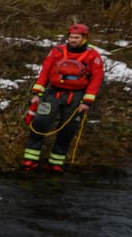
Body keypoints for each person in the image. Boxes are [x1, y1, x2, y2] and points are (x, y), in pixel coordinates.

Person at [21, 23, 103, 173]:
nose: (73, 40)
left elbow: (96, 80)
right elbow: (44, 72)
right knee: (40, 122)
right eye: (71, 37)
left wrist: (87, 102)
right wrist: (37, 93)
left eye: (77, 38)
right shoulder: (56, 51)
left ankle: (55, 163)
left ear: (84, 38)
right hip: (52, 93)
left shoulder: (93, 56)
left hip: (76, 96)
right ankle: (30, 160)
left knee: (68, 129)